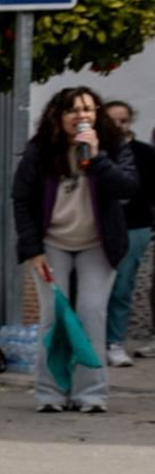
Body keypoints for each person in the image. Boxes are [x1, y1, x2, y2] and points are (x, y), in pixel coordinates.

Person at [12, 87, 139, 412]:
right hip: (51, 243)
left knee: (91, 313)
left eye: (88, 109)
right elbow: (22, 200)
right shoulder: (39, 151)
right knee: (53, 317)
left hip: (97, 244)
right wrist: (32, 249)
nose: (82, 116)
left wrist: (96, 159)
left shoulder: (113, 147)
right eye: (73, 110)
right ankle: (50, 394)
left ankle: (91, 394)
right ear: (58, 116)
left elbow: (127, 187)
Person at [100, 101, 151, 367]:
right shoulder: (95, 151)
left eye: (123, 121)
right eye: (113, 121)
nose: (119, 126)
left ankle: (115, 342)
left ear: (131, 122)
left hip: (135, 226)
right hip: (98, 226)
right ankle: (92, 340)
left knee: (122, 286)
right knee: (95, 287)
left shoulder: (144, 153)